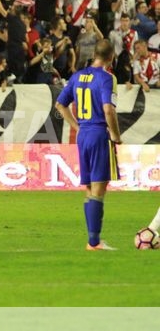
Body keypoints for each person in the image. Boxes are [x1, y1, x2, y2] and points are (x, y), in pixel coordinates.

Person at [55, 39, 121, 251]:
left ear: (94, 54)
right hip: (99, 134)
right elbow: (108, 110)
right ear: (111, 57)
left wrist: (77, 126)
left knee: (90, 188)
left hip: (83, 135)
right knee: (99, 189)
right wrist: (116, 134)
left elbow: (59, 104)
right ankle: (94, 242)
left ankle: (93, 240)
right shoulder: (107, 78)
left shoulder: (76, 76)